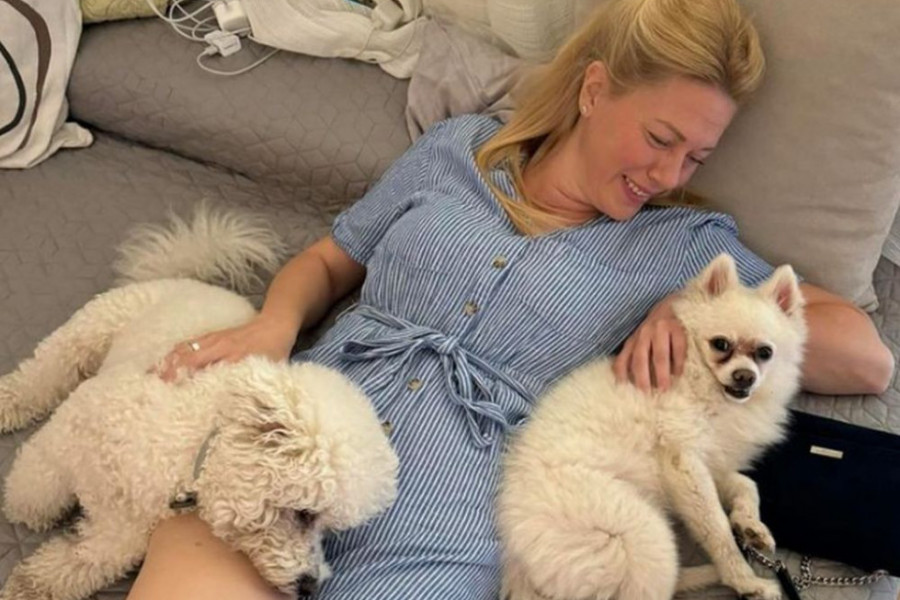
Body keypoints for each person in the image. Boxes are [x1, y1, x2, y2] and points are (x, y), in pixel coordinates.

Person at [129, 0, 894, 598]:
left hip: (447, 525)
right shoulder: (457, 151)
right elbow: (332, 260)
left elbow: (866, 359)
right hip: (291, 446)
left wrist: (692, 309)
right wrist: (275, 323)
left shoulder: (686, 245)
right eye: (660, 139)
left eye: (696, 156)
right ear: (595, 90)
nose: (669, 175)